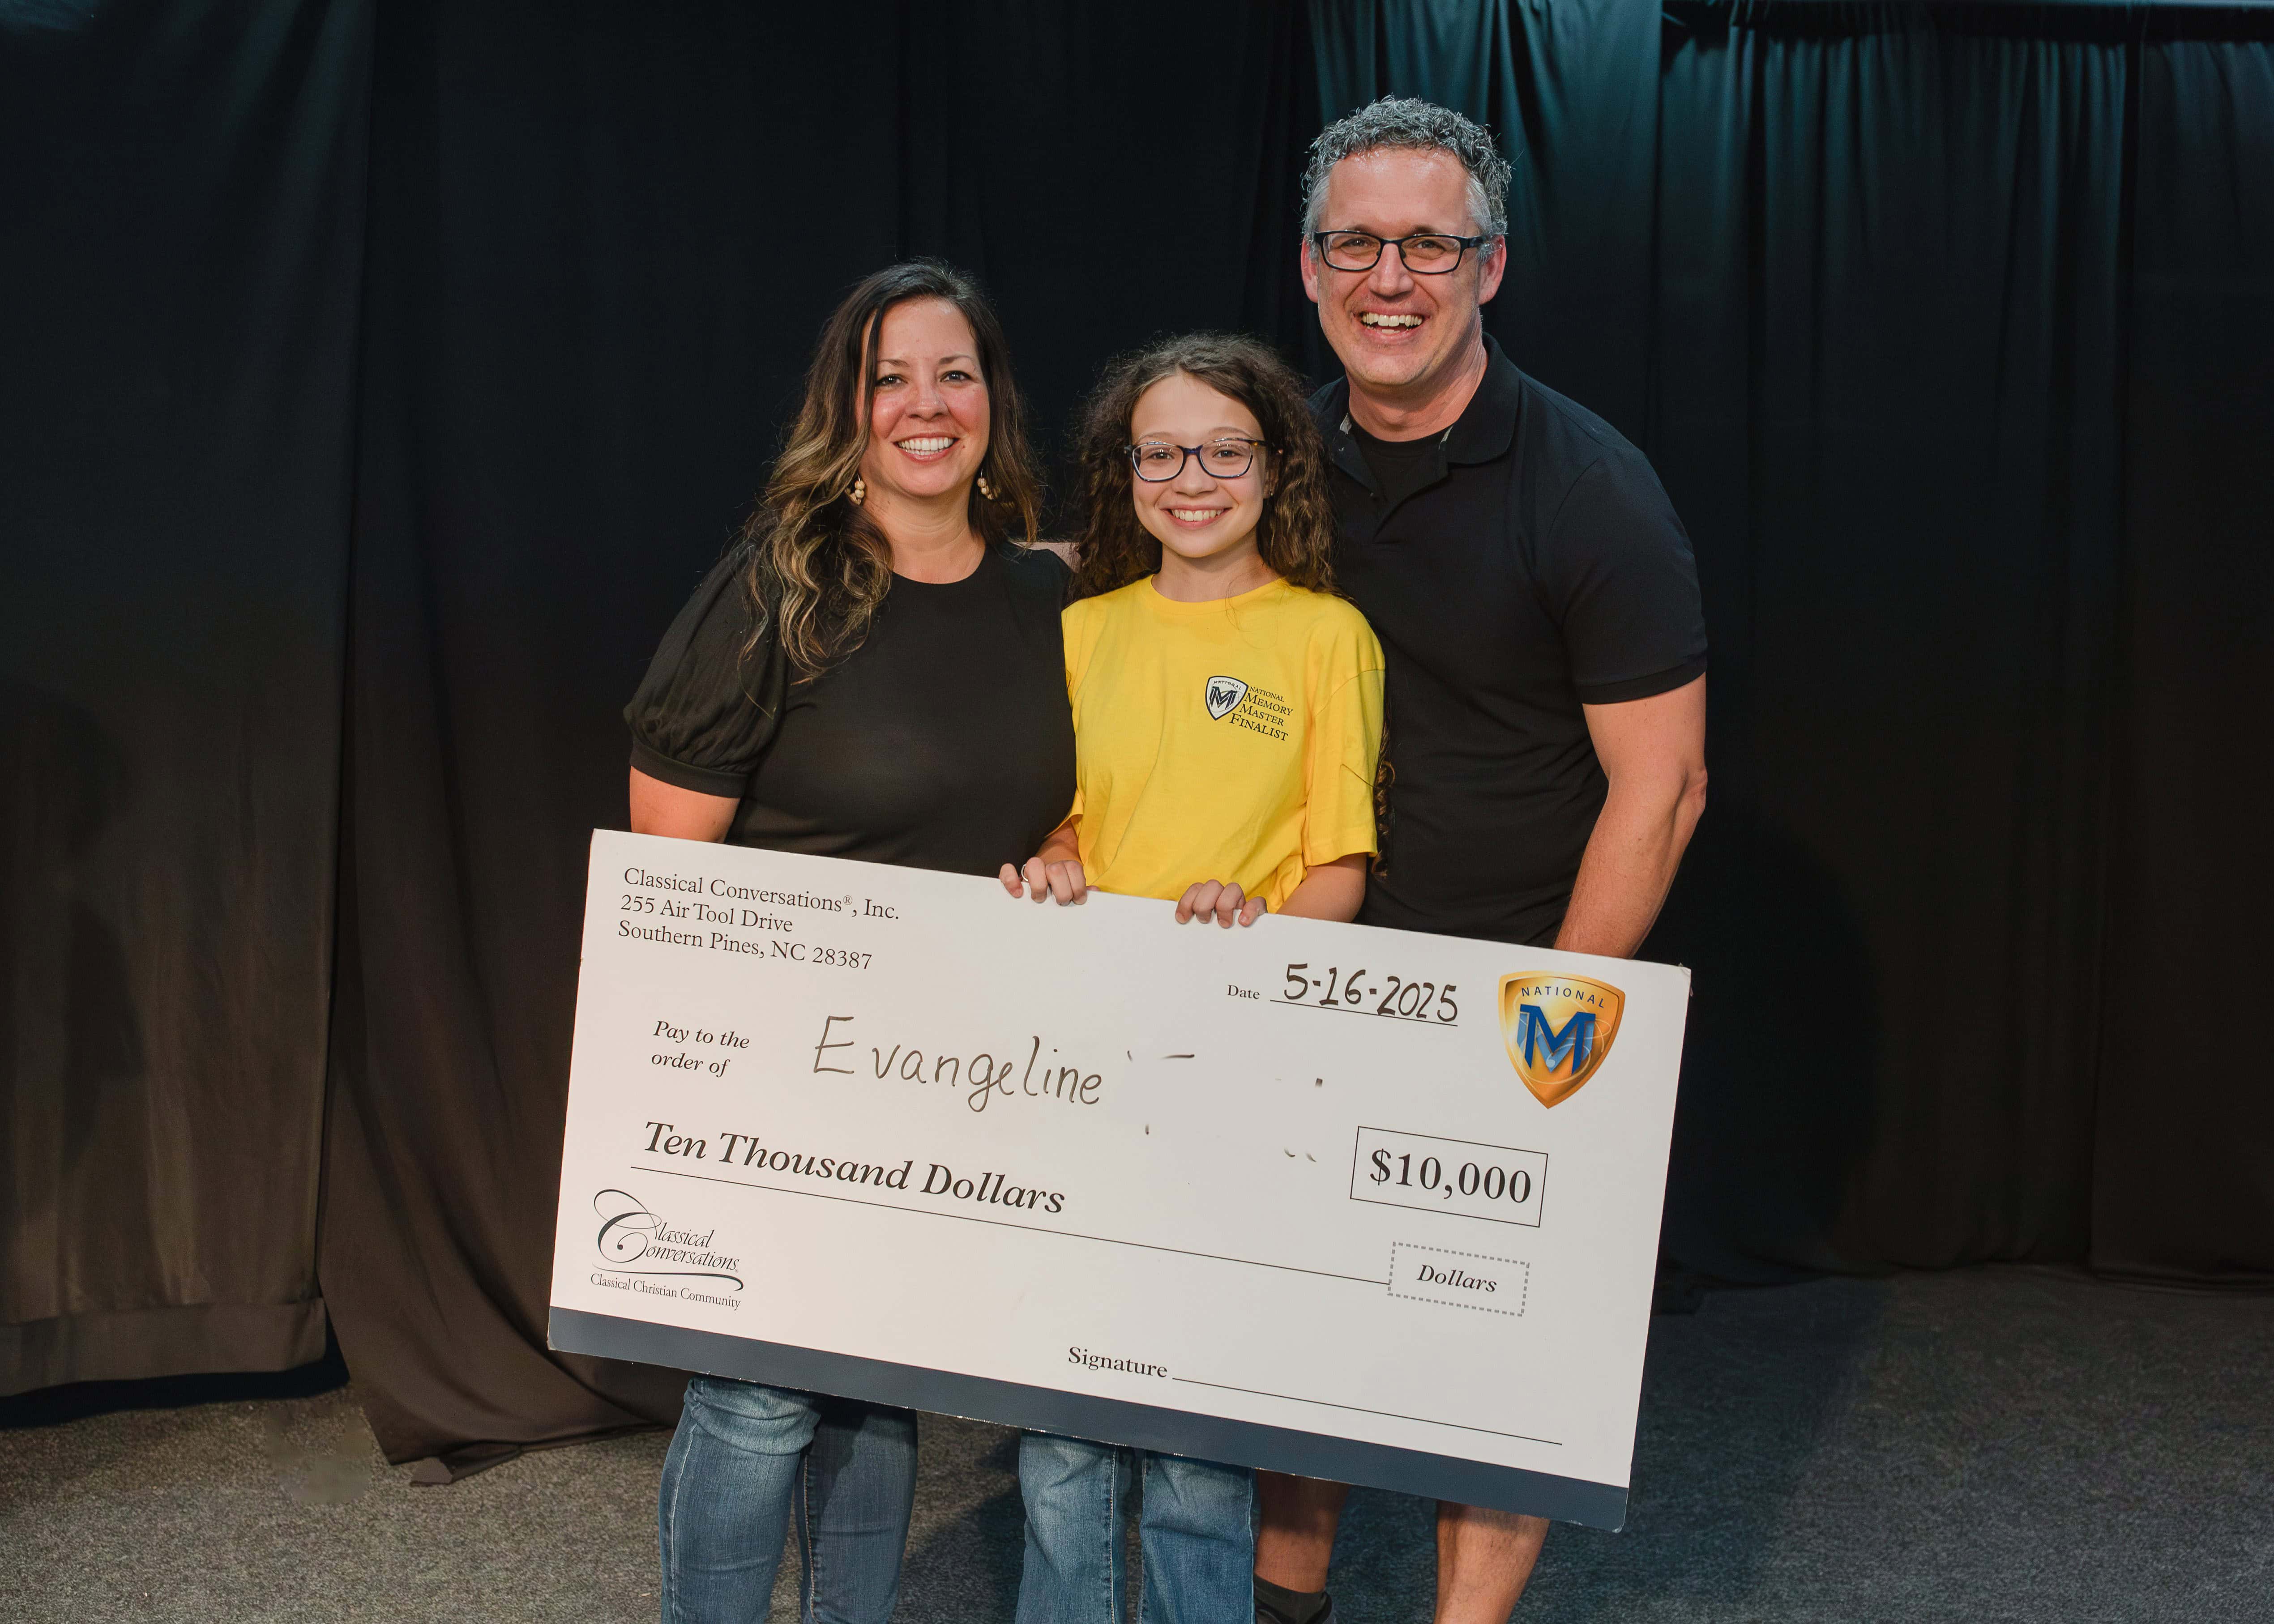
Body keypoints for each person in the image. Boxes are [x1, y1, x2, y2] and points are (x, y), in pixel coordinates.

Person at [1252, 98, 1710, 1624]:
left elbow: (1665, 787)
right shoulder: (1265, 465)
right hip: (1303, 981)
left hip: (1510, 996)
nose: (1394, 277)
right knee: (1283, 1352)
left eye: (1430, 243)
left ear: (1491, 265)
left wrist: (1559, 1026)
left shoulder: (1590, 488)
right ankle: (1286, 1609)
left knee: (1493, 1376)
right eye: (1358, 243)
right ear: (1311, 270)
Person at [624, 259, 1074, 1624]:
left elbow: (1082, 808)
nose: (925, 405)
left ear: (994, 397)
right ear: (849, 406)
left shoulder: (1053, 605)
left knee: (881, 1393)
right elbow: (666, 869)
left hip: (960, 1070)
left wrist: (1063, 855)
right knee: (761, 1397)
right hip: (780, 1069)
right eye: (892, 377)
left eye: (955, 373)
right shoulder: (778, 589)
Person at [999, 332, 1386, 1622]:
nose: (1193, 477)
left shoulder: (1329, 639)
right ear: (1127, 472)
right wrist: (1052, 859)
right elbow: (1057, 820)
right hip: (1076, 1058)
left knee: (1198, 1436)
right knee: (1054, 1430)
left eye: (1225, 450)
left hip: (1238, 1075)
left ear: (1276, 469)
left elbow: (1340, 867)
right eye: (1161, 452)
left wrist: (1262, 923)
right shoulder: (1079, 630)